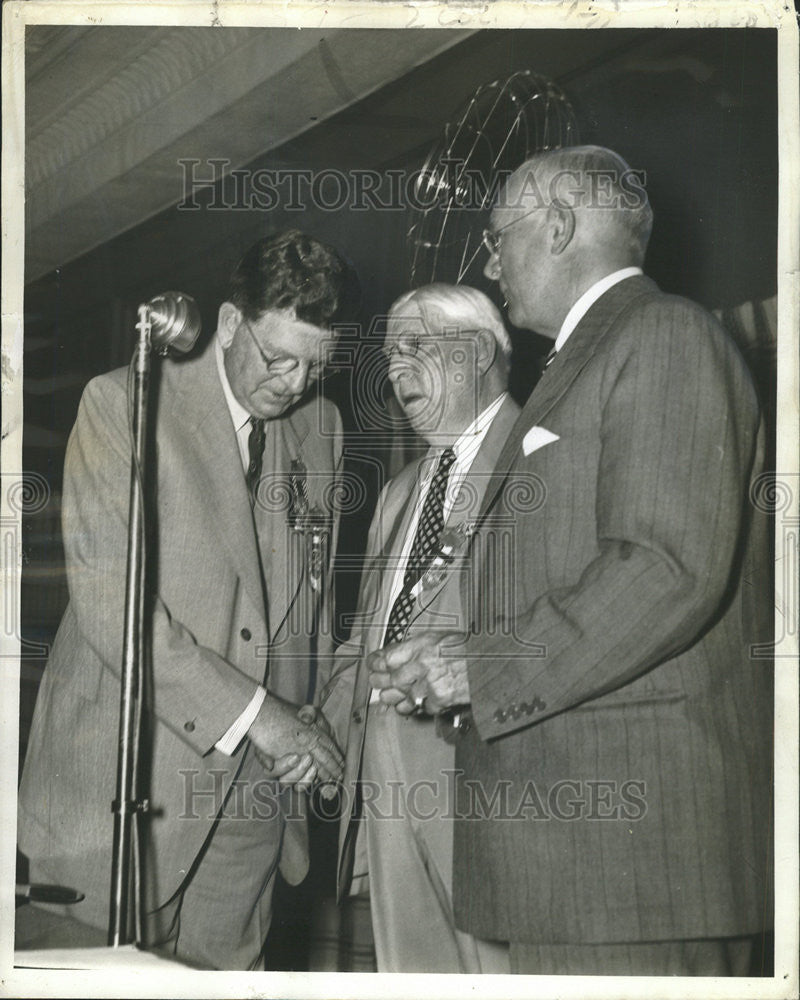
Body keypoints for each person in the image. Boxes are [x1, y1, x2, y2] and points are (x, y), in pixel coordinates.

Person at [369, 147, 773, 975]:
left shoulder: (659, 334)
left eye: (496, 235)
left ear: (557, 227)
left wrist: (479, 665)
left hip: (633, 867)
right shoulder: (590, 358)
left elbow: (665, 569)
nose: (489, 261)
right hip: (581, 868)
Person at [17, 230, 354, 969]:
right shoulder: (123, 404)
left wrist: (312, 718)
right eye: (279, 358)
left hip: (258, 802)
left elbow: (315, 604)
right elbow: (118, 611)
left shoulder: (320, 429)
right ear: (231, 325)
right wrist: (262, 717)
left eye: (314, 366)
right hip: (123, 791)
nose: (295, 383)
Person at [321, 284, 518, 973]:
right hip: (383, 791)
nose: (395, 371)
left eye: (416, 349)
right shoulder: (401, 489)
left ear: (480, 350)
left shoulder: (544, 457)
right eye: (388, 356)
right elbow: (366, 637)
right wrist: (322, 729)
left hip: (490, 803)